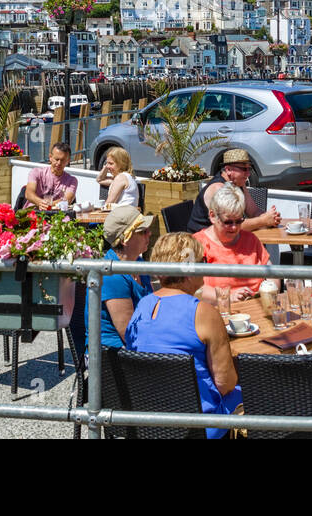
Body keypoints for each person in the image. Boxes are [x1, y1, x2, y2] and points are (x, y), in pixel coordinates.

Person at [124, 231, 241, 439]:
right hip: (198, 426)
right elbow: (225, 384)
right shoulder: (203, 313)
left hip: (149, 421)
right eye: (203, 260)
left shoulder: (143, 305)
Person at [92, 204, 155, 352]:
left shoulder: (137, 263)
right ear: (125, 240)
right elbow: (129, 334)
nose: (149, 234)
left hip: (134, 345)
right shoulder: (113, 275)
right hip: (112, 356)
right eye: (143, 231)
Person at [192, 183, 267, 303]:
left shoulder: (251, 239)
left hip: (256, 306)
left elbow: (272, 271)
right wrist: (229, 296)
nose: (234, 228)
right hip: (219, 310)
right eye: (228, 222)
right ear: (212, 216)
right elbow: (192, 287)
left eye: (239, 221)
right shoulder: (195, 244)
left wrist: (269, 291)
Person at [187, 148, 279, 234]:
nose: (248, 174)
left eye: (249, 169)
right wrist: (263, 221)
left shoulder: (238, 183)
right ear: (228, 170)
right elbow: (230, 226)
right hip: (202, 243)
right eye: (244, 169)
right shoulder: (218, 189)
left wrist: (271, 218)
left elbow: (253, 211)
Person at [24, 142, 78, 209]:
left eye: (63, 160)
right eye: (56, 159)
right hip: (34, 212)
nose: (59, 163)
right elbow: (28, 194)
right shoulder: (36, 172)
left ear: (68, 161)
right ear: (50, 157)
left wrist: (47, 205)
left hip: (57, 215)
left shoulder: (72, 180)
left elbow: (67, 200)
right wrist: (40, 202)